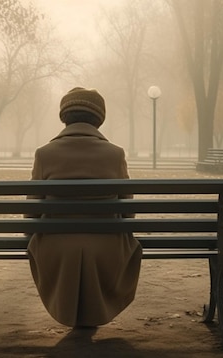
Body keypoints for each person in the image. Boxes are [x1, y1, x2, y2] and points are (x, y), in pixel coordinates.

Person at [26, 87, 142, 327]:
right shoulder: (115, 154)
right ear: (99, 118)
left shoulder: (44, 154)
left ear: (64, 116)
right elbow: (128, 212)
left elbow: (32, 213)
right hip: (108, 247)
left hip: (54, 249)